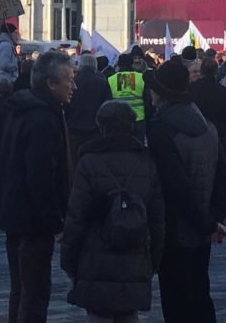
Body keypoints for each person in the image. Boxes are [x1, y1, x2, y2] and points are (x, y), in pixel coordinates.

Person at [0, 51, 75, 323]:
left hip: (15, 212)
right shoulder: (42, 117)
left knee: (22, 289)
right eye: (69, 80)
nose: (74, 86)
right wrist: (55, 221)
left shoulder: (23, 109)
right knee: (34, 292)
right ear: (50, 83)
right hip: (32, 218)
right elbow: (41, 176)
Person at [61, 101, 165, 323]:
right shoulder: (146, 162)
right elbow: (157, 218)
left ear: (101, 126)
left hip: (95, 252)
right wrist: (154, 258)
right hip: (136, 251)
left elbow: (76, 217)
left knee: (99, 314)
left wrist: (68, 259)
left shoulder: (88, 162)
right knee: (129, 313)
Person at [145, 60, 226, 323]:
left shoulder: (163, 129)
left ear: (160, 93)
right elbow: (223, 176)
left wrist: (208, 222)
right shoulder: (206, 125)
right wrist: (213, 219)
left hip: (175, 228)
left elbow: (175, 187)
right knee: (199, 294)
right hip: (201, 227)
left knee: (177, 301)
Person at [67, 54, 113, 172]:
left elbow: (66, 105)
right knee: (95, 166)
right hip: (95, 131)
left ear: (80, 65)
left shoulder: (72, 82)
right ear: (95, 66)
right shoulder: (102, 82)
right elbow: (108, 106)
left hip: (74, 131)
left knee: (75, 165)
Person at [107, 54, 146, 142]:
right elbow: (147, 100)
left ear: (119, 65)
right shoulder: (141, 78)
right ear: (132, 64)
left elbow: (108, 101)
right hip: (138, 119)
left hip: (118, 120)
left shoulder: (111, 79)